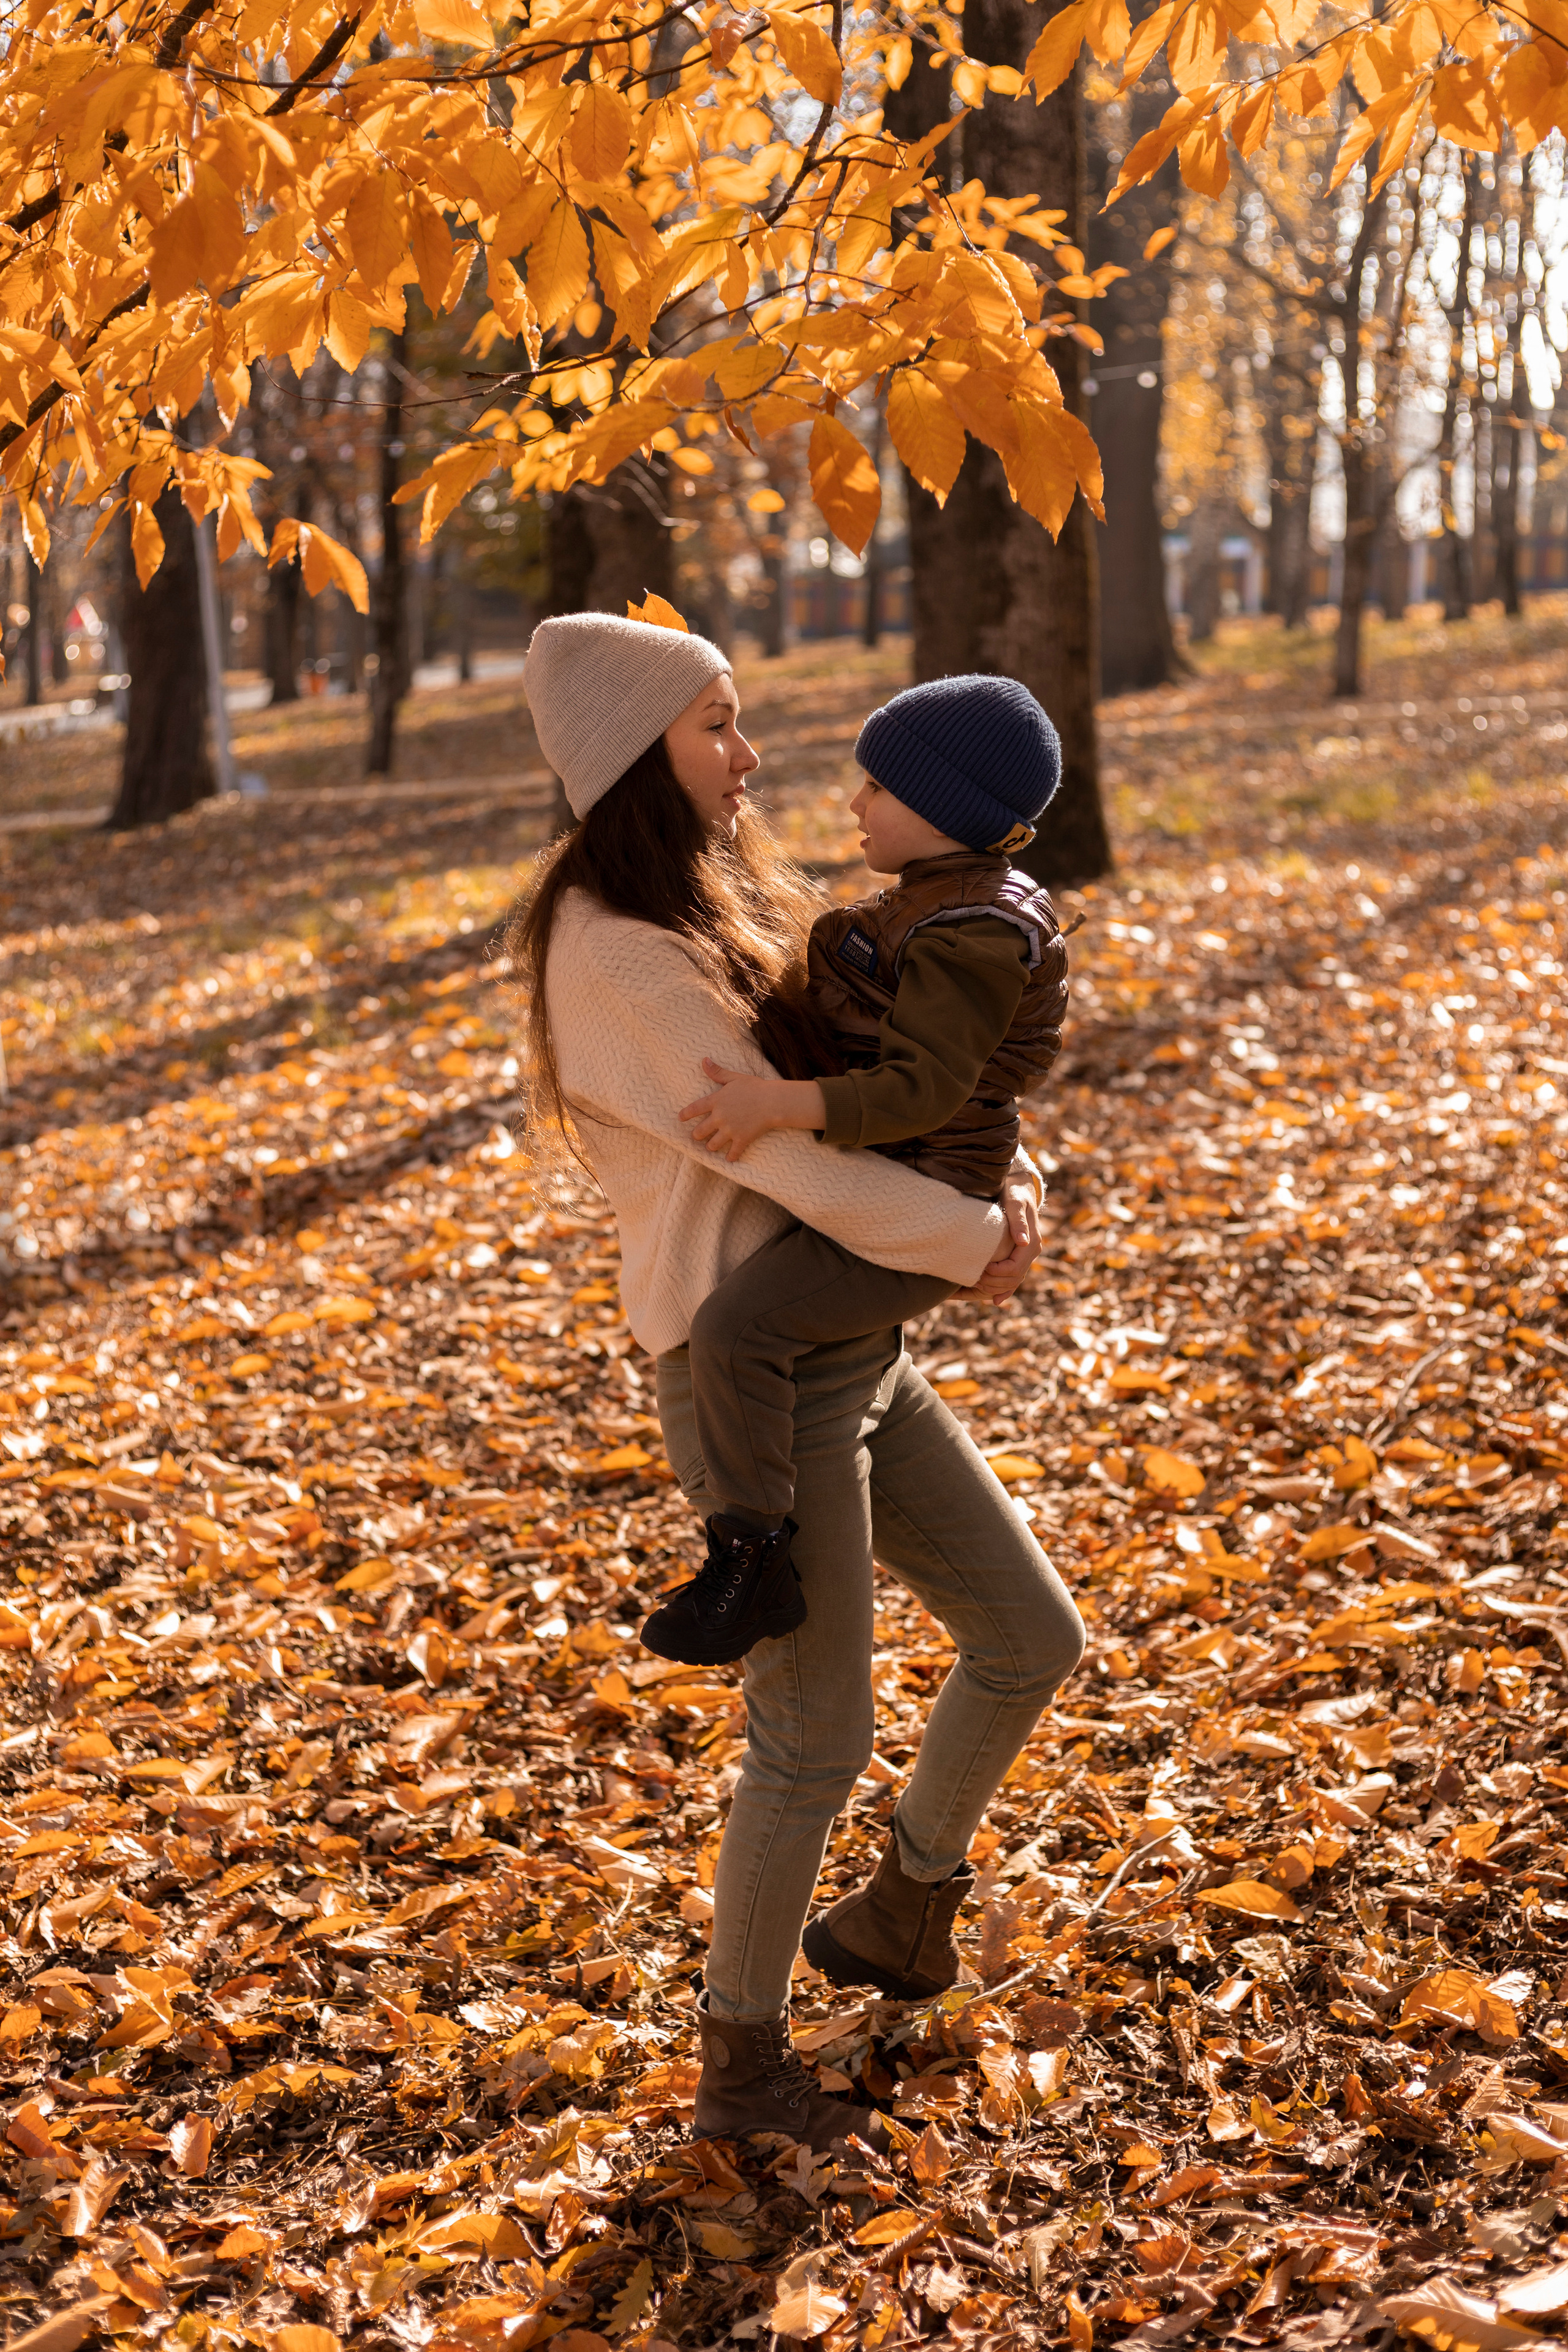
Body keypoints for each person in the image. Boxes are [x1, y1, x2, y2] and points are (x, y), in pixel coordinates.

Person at [511, 609, 1084, 2154]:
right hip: (744, 1373)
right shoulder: (621, 954)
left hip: (851, 1350)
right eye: (716, 726)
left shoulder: (697, 903)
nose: (750, 758)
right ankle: (738, 2066)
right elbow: (793, 1162)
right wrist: (977, 1240)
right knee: (811, 1738)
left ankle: (902, 1912)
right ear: (639, 752)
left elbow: (905, 1078)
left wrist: (996, 1181)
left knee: (1029, 1635)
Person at [650, 673, 1068, 1668]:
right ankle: (752, 1544)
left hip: (925, 1192)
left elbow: (925, 1090)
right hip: (916, 1177)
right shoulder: (938, 906)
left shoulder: (973, 932)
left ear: (944, 809)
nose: (855, 804)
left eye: (876, 787)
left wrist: (776, 1107)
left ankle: (750, 1559)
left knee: (738, 1327)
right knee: (745, 1327)